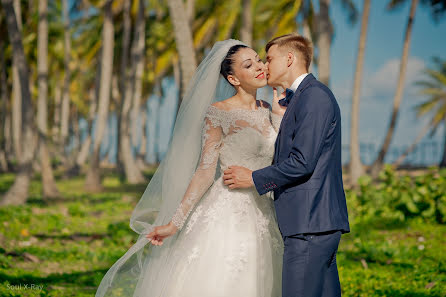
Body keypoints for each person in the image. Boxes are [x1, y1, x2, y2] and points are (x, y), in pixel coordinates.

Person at [95, 39, 285, 297]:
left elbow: (280, 159)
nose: (260, 67)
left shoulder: (268, 109)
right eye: (248, 65)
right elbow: (205, 172)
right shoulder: (218, 113)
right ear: (234, 79)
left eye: (259, 60)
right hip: (229, 211)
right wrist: (175, 223)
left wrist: (278, 116)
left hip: (264, 210)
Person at [223, 33, 350, 297]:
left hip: (310, 222)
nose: (264, 67)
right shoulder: (302, 97)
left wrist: (254, 178)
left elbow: (303, 162)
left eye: (268, 59)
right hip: (313, 222)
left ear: (289, 58)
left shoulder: (313, 97)